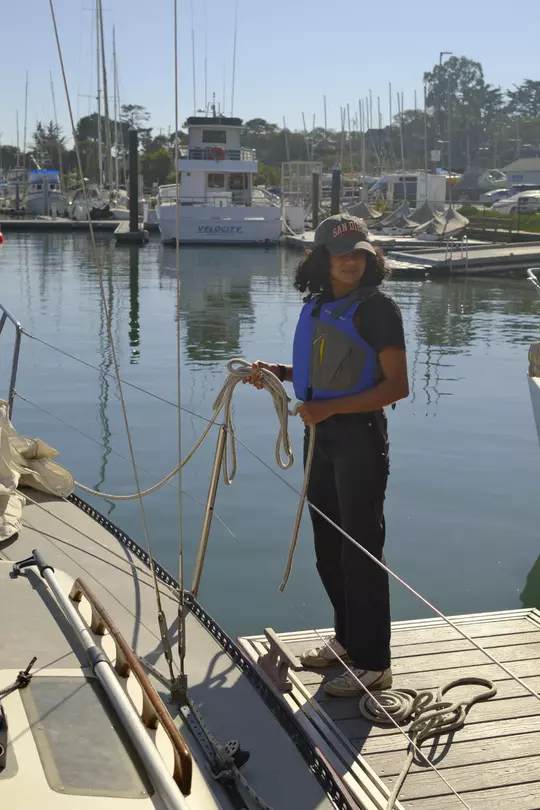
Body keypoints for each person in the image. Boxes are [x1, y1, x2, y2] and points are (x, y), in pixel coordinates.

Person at [246, 213, 408, 697]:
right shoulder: (318, 306)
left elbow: (396, 387)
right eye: (340, 253)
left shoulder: (378, 310)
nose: (351, 261)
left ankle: (375, 662)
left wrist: (326, 409)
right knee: (329, 550)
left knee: (360, 551)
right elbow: (327, 373)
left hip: (358, 439)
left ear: (370, 257)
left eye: (359, 252)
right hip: (322, 440)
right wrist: (279, 371)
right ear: (320, 258)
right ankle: (347, 641)